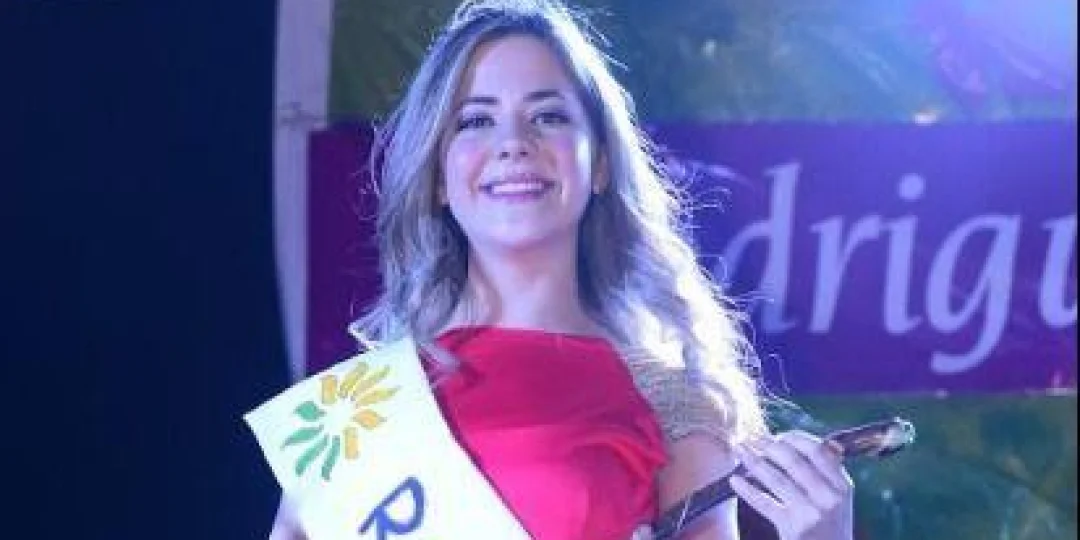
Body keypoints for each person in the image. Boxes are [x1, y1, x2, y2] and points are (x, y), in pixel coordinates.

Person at [259, 0, 854, 538]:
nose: (513, 143)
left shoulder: (671, 402)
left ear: (600, 164)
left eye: (548, 116)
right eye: (475, 120)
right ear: (438, 175)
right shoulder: (357, 409)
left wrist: (824, 537)